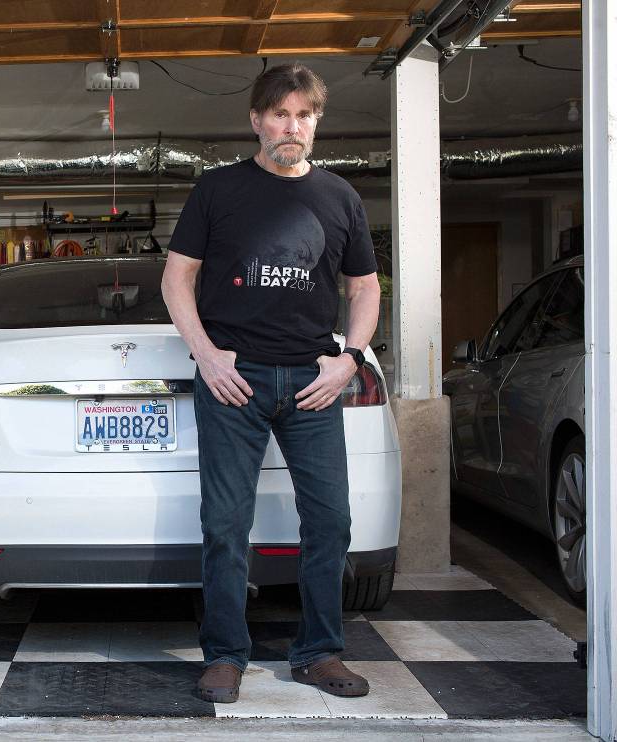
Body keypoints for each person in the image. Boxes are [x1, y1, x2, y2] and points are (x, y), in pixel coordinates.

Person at [161, 62, 382, 704]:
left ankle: (318, 652)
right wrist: (207, 356)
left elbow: (364, 288)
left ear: (316, 123)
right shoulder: (219, 189)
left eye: (304, 115)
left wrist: (351, 359)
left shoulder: (339, 197)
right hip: (235, 380)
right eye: (280, 114)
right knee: (226, 523)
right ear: (257, 120)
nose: (292, 126)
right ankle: (226, 655)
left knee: (331, 520)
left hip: (315, 381)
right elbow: (177, 278)